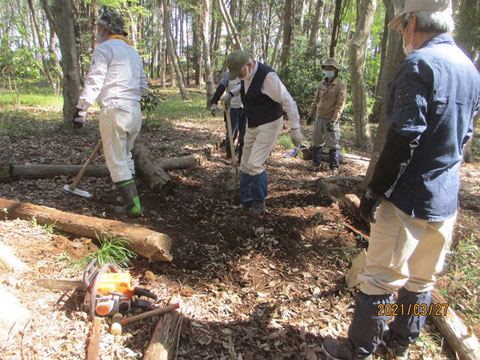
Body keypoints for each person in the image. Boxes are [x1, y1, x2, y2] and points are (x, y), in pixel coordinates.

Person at [322, 1, 480, 359]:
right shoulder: (469, 67)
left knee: (379, 278)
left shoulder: (419, 64)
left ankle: (360, 348)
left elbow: (406, 134)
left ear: (412, 23)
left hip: (408, 195)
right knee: (422, 279)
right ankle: (400, 343)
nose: (403, 37)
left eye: (401, 29)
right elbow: (466, 133)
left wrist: (376, 190)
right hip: (445, 196)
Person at [72, 7, 148, 217]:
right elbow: (143, 85)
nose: (97, 31)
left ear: (104, 28)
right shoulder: (133, 52)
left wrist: (81, 109)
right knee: (126, 157)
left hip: (114, 109)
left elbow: (95, 79)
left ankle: (133, 205)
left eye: (98, 27)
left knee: (116, 161)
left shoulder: (104, 49)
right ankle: (126, 197)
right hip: (134, 112)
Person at [222, 50, 303, 216]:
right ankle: (246, 199)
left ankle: (259, 202)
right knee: (244, 163)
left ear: (249, 65)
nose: (239, 76)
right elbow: (243, 85)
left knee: (255, 163)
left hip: (270, 122)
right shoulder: (246, 75)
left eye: (240, 73)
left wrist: (295, 129)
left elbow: (289, 102)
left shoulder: (268, 77)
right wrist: (231, 94)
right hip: (252, 121)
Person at [307, 58, 346, 172]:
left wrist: (334, 120)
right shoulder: (321, 84)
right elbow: (316, 101)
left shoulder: (340, 84)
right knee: (317, 141)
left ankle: (334, 166)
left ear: (335, 70)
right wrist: (311, 115)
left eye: (330, 68)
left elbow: (340, 104)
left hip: (331, 118)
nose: (328, 70)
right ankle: (315, 163)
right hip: (319, 117)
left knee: (333, 143)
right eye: (326, 68)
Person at [210, 71, 247, 161]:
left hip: (245, 108)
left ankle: (241, 157)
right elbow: (221, 88)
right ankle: (230, 154)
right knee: (231, 133)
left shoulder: (248, 73)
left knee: (244, 134)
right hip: (232, 108)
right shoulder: (228, 75)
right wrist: (214, 102)